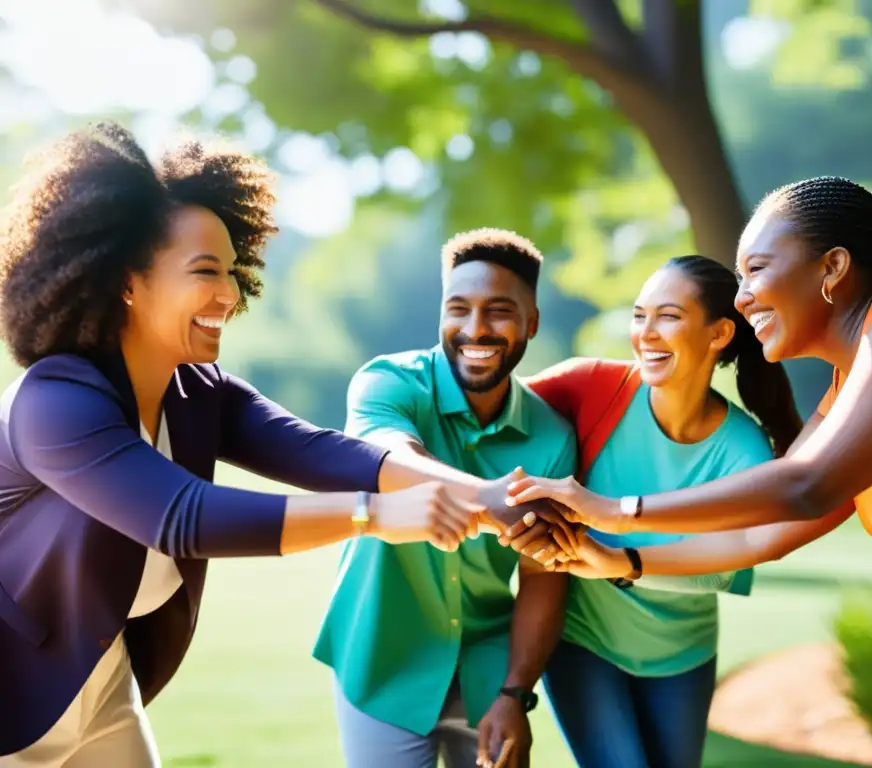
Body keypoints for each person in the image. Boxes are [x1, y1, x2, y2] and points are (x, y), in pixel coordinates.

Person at [0, 123, 516, 765]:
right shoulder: (56, 402)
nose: (231, 293)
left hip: (98, 686)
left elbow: (322, 452)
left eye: (233, 270)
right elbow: (182, 516)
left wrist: (496, 499)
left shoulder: (199, 392)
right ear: (127, 282)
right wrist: (374, 517)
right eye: (205, 271)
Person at [505, 176, 872, 766]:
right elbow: (763, 536)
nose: (742, 295)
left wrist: (616, 513)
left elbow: (806, 486)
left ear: (832, 268)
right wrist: (622, 563)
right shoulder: (849, 391)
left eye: (755, 270)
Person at [493, 255, 798, 768]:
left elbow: (722, 572)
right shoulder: (593, 386)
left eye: (669, 317)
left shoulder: (744, 452)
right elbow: (493, 416)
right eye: (639, 316)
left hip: (683, 653)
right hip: (583, 641)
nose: (646, 334)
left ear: (720, 333)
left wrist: (622, 562)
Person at [311, 228, 577, 768]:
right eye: (458, 308)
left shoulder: (552, 437)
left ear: (532, 322)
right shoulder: (388, 382)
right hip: (382, 659)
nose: (475, 329)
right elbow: (385, 458)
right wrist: (489, 498)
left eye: (499, 311)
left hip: (490, 671)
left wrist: (515, 694)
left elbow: (544, 574)